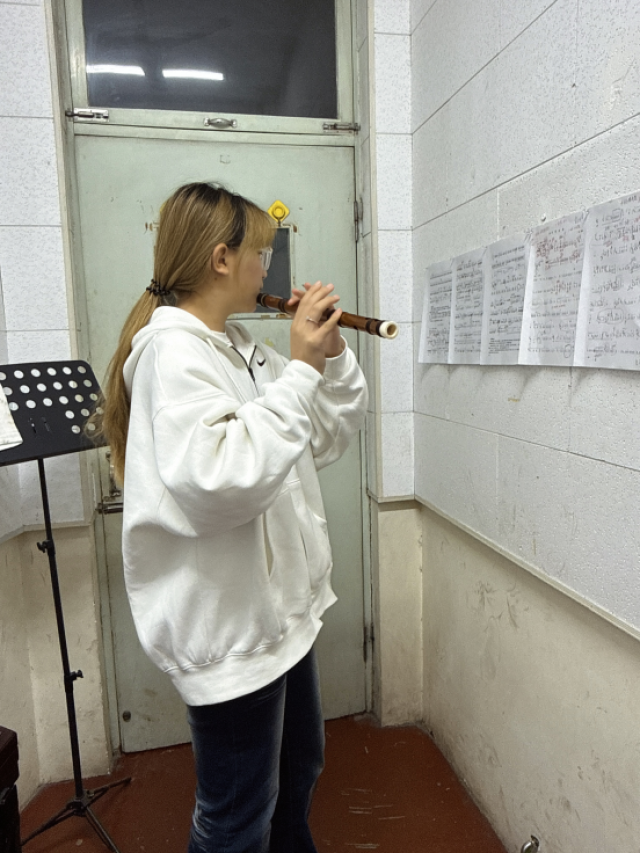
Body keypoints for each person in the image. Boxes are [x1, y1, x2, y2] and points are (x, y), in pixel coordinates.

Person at [98, 182, 368, 853]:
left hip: (282, 614)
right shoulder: (172, 356)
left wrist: (330, 358)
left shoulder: (241, 346)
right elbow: (222, 479)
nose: (267, 271)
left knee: (298, 775)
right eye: (261, 255)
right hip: (231, 626)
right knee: (236, 816)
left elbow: (317, 438)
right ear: (222, 259)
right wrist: (300, 371)